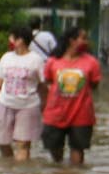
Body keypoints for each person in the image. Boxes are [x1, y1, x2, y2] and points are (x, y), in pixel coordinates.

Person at [41, 26, 104, 166]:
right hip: (55, 113)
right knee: (54, 148)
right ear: (72, 41)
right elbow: (48, 83)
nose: (86, 42)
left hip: (81, 114)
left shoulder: (92, 62)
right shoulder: (53, 61)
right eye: (83, 38)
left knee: (78, 149)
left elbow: (94, 84)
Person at [0, 23, 47, 160]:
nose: (10, 40)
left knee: (23, 144)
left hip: (28, 106)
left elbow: (42, 85)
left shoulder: (36, 60)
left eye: (12, 38)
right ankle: (10, 168)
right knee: (1, 142)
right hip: (5, 104)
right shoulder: (6, 57)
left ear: (20, 40)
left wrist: (45, 104)